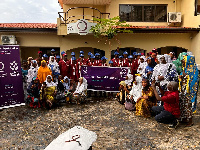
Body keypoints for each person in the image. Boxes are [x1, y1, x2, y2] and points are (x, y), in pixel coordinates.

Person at [179, 55, 199, 126]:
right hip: (183, 90)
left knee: (189, 105)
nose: (183, 61)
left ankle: (190, 121)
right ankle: (184, 118)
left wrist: (186, 76)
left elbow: (195, 80)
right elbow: (182, 76)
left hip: (190, 91)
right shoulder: (185, 68)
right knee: (183, 104)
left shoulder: (194, 70)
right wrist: (181, 76)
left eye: (184, 60)